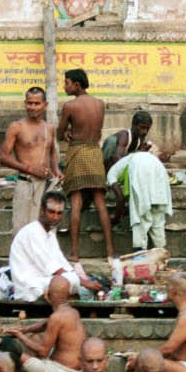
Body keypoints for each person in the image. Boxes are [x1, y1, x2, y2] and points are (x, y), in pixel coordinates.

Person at [57, 69, 114, 264]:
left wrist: (67, 134)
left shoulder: (70, 106)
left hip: (78, 152)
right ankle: (109, 251)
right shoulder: (100, 104)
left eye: (67, 83)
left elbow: (60, 133)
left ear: (77, 85)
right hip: (94, 152)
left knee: (76, 202)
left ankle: (74, 252)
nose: (65, 87)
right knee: (100, 201)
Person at [7, 190, 101, 303]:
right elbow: (53, 269)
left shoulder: (50, 234)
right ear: (42, 210)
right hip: (30, 287)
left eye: (59, 213)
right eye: (51, 212)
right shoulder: (33, 232)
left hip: (46, 280)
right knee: (72, 281)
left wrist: (84, 280)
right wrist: (85, 283)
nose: (55, 217)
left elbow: (63, 263)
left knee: (81, 279)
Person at [6, 274, 86, 372]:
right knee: (35, 338)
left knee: (11, 349)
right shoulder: (73, 312)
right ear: (68, 295)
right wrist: (24, 330)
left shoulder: (57, 317)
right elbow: (45, 324)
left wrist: (20, 336)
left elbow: (43, 352)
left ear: (47, 295)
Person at [0, 86, 61, 232]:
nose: (32, 107)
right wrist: (30, 169)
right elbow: (3, 158)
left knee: (46, 230)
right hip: (26, 184)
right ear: (25, 103)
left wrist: (57, 170)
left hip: (46, 186)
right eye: (29, 103)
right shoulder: (17, 127)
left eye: (37, 103)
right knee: (22, 231)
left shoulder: (50, 128)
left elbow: (52, 151)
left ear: (45, 105)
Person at [106, 133, 172, 251]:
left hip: (144, 186)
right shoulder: (141, 158)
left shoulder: (113, 172)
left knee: (140, 221)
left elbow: (120, 197)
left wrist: (116, 217)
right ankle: (161, 258)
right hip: (160, 188)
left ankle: (140, 256)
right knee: (157, 223)